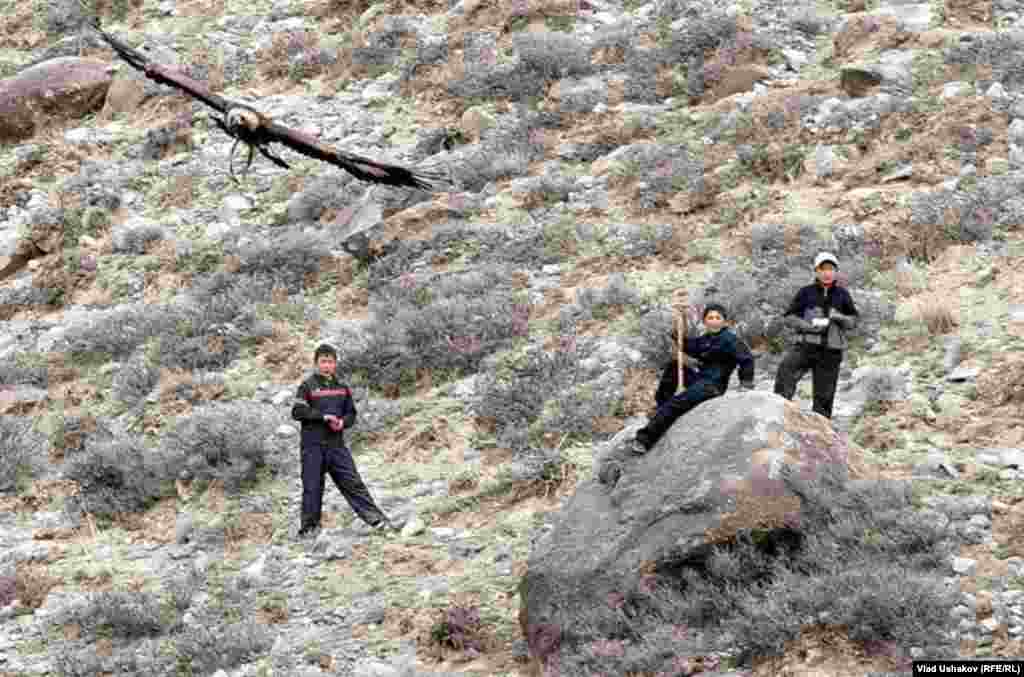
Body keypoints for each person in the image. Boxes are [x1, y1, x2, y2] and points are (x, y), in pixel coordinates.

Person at [291, 344, 397, 538]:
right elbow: (297, 412)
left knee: (353, 483)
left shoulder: (342, 388)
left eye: (330, 362)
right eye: (323, 362)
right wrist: (323, 417)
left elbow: (351, 414)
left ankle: (378, 521)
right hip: (312, 447)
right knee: (312, 488)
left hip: (336, 446)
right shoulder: (306, 386)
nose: (327, 366)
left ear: (335, 364)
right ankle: (309, 530)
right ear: (316, 363)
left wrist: (342, 423)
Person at [631, 303, 755, 455]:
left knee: (677, 403)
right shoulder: (706, 339)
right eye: (710, 318)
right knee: (674, 366)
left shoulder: (730, 339)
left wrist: (746, 383)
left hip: (712, 386)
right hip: (700, 380)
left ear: (724, 321)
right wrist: (681, 319)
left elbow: (747, 359)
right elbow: (687, 345)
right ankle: (660, 406)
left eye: (718, 318)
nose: (714, 321)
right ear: (705, 321)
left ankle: (644, 440)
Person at [773, 252, 860, 420]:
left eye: (831, 269)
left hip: (831, 351)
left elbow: (854, 321)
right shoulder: (805, 292)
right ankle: (779, 415)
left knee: (824, 397)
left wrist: (839, 317)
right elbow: (789, 317)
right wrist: (806, 326)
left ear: (836, 272)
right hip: (805, 346)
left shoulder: (842, 294)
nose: (827, 273)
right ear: (816, 271)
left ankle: (822, 428)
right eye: (823, 269)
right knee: (785, 371)